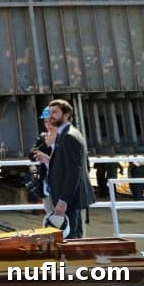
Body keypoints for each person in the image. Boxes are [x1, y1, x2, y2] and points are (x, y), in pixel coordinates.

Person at [34, 99, 95, 238]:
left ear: (66, 115)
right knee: (70, 241)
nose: (50, 116)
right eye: (49, 113)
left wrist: (63, 201)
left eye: (55, 112)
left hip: (70, 202)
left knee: (72, 241)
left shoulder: (69, 136)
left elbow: (73, 173)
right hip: (68, 199)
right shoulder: (65, 134)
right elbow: (67, 165)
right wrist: (48, 161)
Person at [28, 106, 56, 211]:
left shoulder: (66, 137)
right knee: (50, 218)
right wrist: (46, 143)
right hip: (47, 188)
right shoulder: (43, 137)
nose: (48, 125)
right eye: (45, 122)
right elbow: (31, 154)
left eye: (50, 121)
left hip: (63, 188)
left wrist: (48, 159)